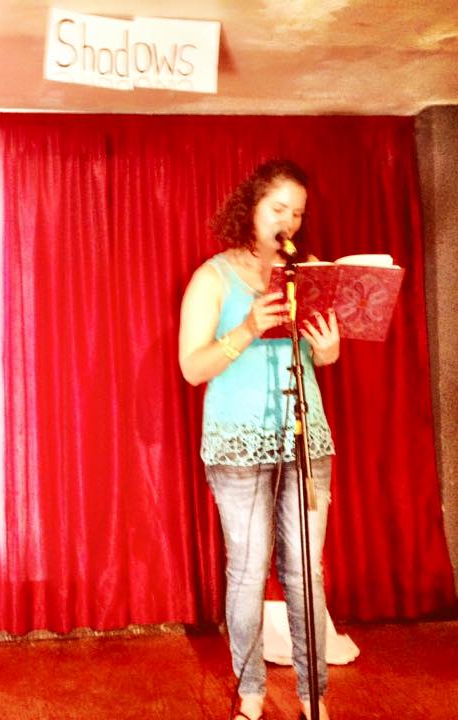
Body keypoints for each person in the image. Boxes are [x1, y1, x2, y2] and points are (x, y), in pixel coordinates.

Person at [178, 160, 340, 720]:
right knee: (248, 571)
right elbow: (192, 368)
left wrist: (328, 351)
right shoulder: (213, 277)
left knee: (306, 570)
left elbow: (320, 354)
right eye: (278, 209)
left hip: (304, 438)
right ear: (250, 208)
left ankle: (314, 696)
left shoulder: (310, 272)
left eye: (298, 213)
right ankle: (250, 693)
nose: (288, 222)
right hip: (238, 443)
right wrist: (247, 328)